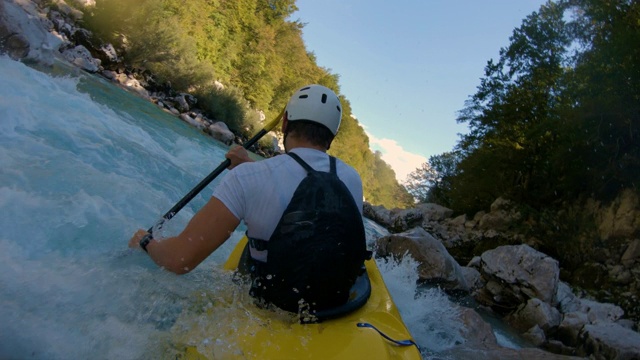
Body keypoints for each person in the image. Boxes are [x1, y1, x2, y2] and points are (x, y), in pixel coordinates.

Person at [129, 84, 367, 313]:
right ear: (331, 137)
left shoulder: (249, 178)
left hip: (272, 302)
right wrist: (251, 167)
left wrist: (146, 241)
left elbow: (180, 260)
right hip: (331, 303)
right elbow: (304, 190)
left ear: (285, 123)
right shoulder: (352, 179)